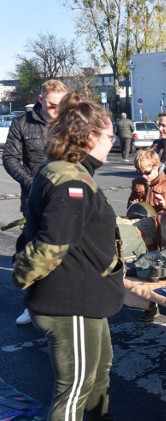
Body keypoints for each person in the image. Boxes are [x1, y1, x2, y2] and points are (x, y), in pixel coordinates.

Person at [11, 91, 124, 421]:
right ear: (90, 138)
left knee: (100, 371)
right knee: (74, 389)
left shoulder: (69, 171)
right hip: (70, 301)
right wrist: (22, 275)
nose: (113, 141)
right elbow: (52, 244)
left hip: (88, 298)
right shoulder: (70, 182)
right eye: (109, 135)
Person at [3, 79, 68, 326]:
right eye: (52, 105)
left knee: (66, 253)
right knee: (34, 253)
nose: (57, 110)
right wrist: (34, 184)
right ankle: (33, 306)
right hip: (32, 201)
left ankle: (64, 304)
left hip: (65, 200)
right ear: (41, 100)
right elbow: (10, 159)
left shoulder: (68, 123)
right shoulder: (22, 123)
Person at [128, 149, 166, 214]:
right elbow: (131, 201)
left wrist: (165, 204)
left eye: (147, 172)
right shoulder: (137, 182)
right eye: (140, 173)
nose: (143, 176)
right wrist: (132, 204)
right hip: (141, 220)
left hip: (161, 221)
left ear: (156, 166)